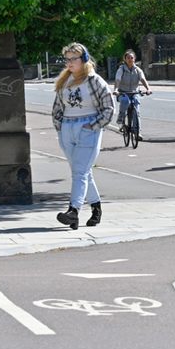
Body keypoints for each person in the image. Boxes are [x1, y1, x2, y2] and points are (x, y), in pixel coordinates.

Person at [52, 42, 115, 229]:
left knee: (79, 172)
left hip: (88, 129)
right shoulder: (64, 81)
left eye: (73, 59)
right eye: (67, 59)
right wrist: (59, 126)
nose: (69, 63)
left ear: (84, 59)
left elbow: (109, 109)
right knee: (81, 172)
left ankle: (73, 211)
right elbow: (57, 107)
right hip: (67, 129)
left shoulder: (94, 81)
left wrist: (93, 126)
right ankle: (96, 208)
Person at [114, 49, 152, 140]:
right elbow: (118, 80)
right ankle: (121, 117)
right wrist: (116, 90)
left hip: (134, 92)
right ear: (125, 59)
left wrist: (148, 89)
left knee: (136, 110)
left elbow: (143, 80)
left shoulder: (138, 70)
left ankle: (137, 132)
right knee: (125, 101)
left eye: (132, 58)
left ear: (134, 59)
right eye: (128, 58)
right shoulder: (121, 69)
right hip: (123, 92)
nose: (130, 60)